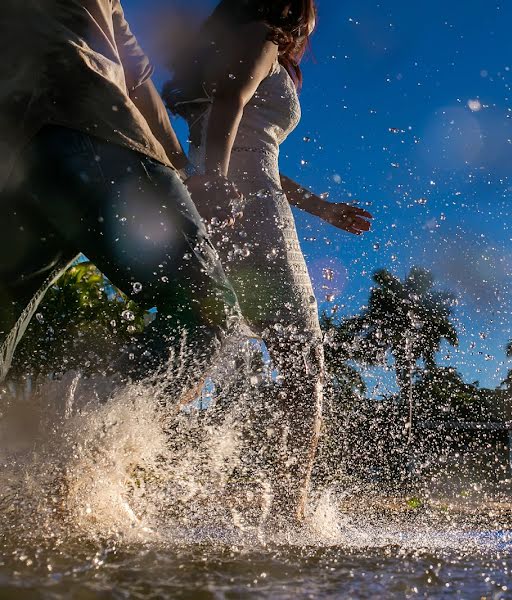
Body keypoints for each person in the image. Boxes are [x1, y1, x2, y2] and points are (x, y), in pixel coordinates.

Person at [164, 0, 372, 522]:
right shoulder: (262, 37)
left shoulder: (217, 52)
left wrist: (322, 208)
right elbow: (233, 104)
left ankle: (110, 445)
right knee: (305, 366)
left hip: (225, 203)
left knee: (200, 352)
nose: (309, 30)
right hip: (247, 211)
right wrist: (218, 185)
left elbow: (252, 151)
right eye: (309, 17)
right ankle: (289, 512)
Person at [0, 1, 246, 394]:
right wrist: (182, 172)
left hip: (15, 165)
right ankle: (91, 447)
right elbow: (137, 81)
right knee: (208, 308)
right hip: (95, 127)